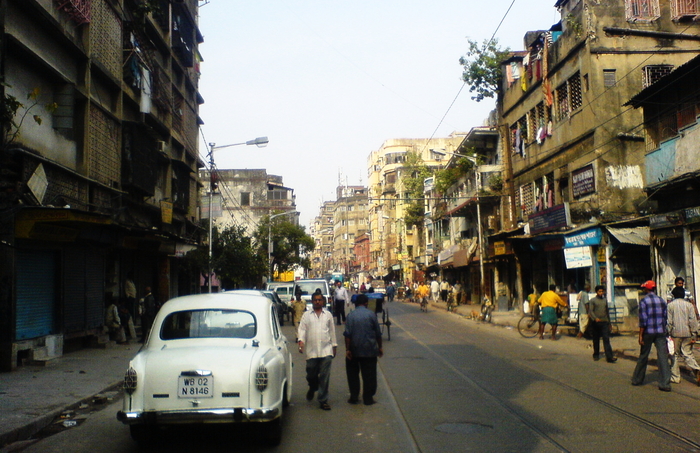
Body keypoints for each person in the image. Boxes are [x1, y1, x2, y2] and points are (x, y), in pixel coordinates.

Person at [298, 291, 337, 410]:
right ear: (312, 301)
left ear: (323, 301)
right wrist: (301, 341)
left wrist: (334, 345)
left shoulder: (328, 315)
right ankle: (312, 386)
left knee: (324, 376)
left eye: (320, 300)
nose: (318, 302)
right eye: (315, 300)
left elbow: (332, 331)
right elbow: (302, 329)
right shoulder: (306, 315)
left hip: (326, 350)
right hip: (312, 351)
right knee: (311, 374)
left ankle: (323, 400)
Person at [631, 280, 671, 391]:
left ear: (646, 289)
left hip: (648, 331)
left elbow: (643, 320)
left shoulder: (644, 301)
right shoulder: (661, 301)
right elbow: (665, 317)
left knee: (644, 355)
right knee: (663, 357)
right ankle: (665, 383)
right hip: (660, 331)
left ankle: (637, 379)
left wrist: (640, 335)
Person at [344, 294, 383, 405]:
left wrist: (347, 349)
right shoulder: (371, 315)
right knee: (369, 375)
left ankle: (354, 397)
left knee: (352, 375)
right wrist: (380, 347)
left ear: (356, 303)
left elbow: (347, 335)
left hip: (354, 350)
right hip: (369, 350)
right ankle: (368, 398)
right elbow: (378, 334)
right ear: (366, 303)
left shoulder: (350, 316)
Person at [667, 286, 700, 385]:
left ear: (673, 295)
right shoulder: (689, 305)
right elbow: (693, 320)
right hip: (688, 333)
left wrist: (668, 333)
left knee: (674, 355)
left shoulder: (670, 306)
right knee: (687, 353)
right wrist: (694, 334)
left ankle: (676, 377)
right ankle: (697, 368)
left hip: (675, 333)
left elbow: (669, 322)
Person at [587, 285, 617, 362]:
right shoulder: (593, 300)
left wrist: (609, 323)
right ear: (596, 292)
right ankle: (596, 354)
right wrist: (595, 318)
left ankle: (609, 357)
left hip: (604, 322)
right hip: (596, 323)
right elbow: (591, 311)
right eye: (599, 291)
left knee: (606, 339)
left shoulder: (604, 300)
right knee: (596, 339)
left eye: (602, 291)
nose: (601, 293)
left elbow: (607, 312)